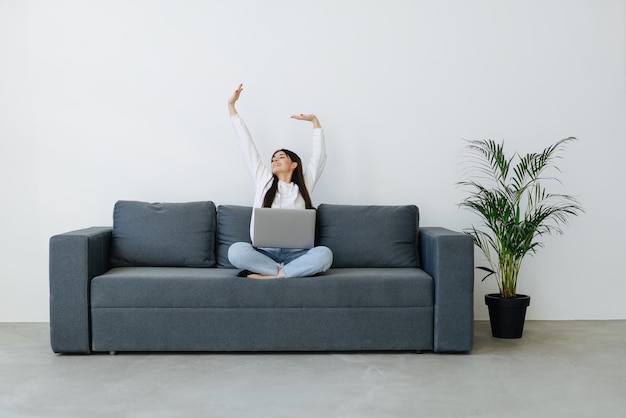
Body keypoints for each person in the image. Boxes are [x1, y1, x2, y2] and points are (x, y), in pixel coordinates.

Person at [227, 84, 333, 279]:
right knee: (236, 251)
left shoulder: (305, 184)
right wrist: (232, 107)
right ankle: (284, 274)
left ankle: (273, 274)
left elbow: (320, 157)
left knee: (325, 255)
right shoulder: (263, 180)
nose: (274, 159)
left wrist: (315, 122)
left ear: (294, 164)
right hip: (265, 253)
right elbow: (246, 146)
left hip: (297, 254)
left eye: (281, 157)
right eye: (273, 158)